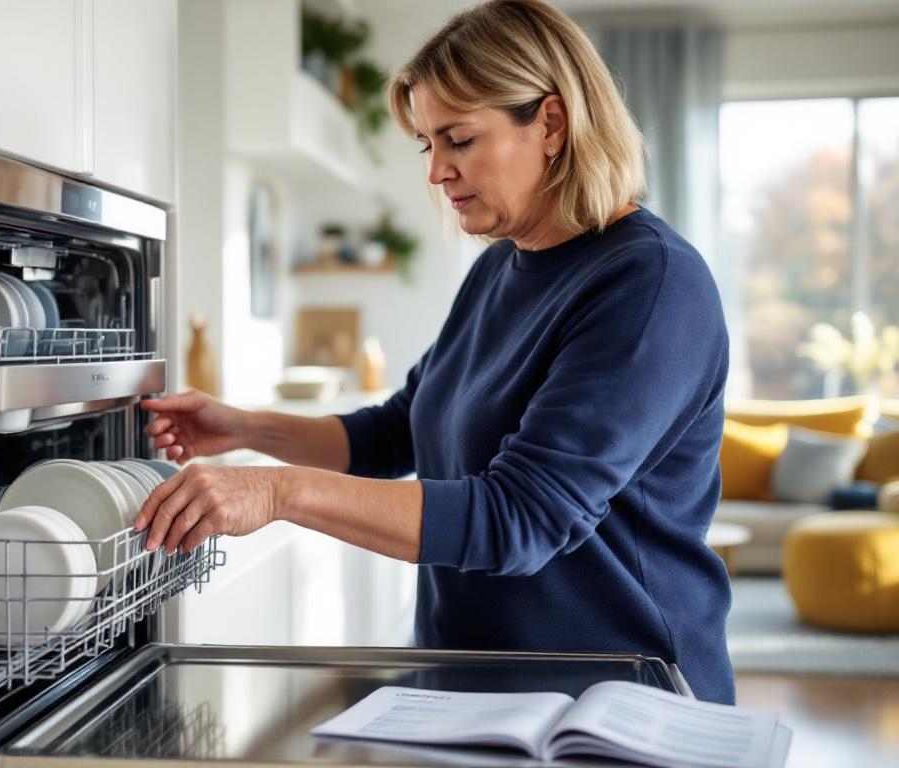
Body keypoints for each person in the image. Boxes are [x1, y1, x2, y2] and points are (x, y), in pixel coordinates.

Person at [134, 0, 733, 704]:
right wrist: (244, 429)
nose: (436, 172)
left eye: (459, 139)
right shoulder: (498, 270)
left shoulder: (650, 284)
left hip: (620, 700)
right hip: (478, 691)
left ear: (550, 123)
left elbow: (523, 518)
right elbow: (396, 432)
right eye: (427, 144)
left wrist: (277, 492)